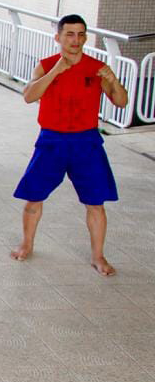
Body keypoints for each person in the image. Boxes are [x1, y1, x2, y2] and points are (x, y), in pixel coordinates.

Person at [11, 14, 127, 276]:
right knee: (33, 198)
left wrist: (112, 80)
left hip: (86, 141)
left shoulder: (97, 68)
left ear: (85, 37)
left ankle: (98, 256)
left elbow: (121, 101)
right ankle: (27, 244)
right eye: (70, 34)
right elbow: (29, 96)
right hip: (52, 140)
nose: (76, 40)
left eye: (80, 34)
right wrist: (56, 72)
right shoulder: (46, 65)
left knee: (96, 203)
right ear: (58, 37)